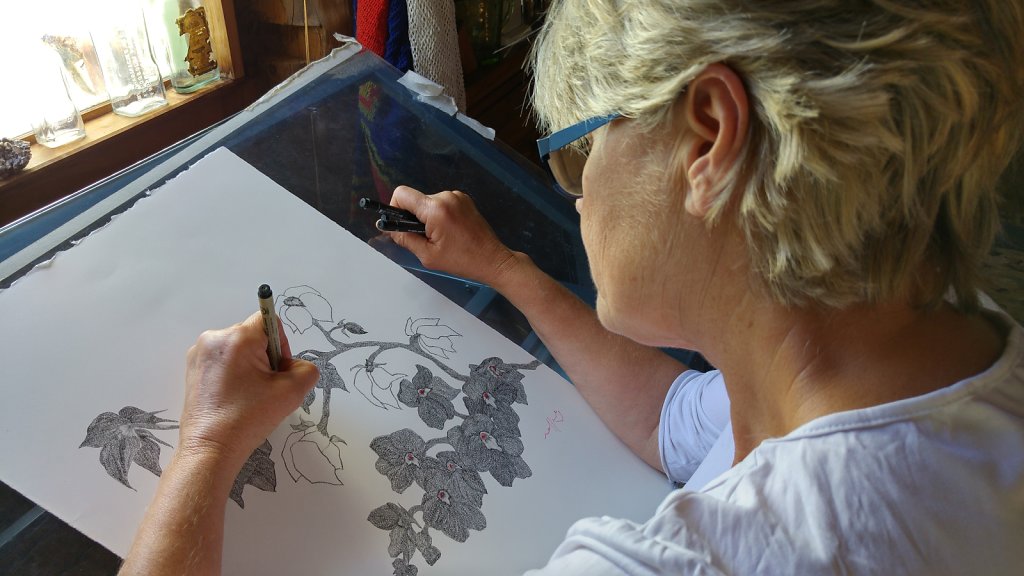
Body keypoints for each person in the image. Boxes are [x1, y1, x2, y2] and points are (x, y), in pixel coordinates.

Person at [120, 0, 1024, 574]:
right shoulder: (948, 352)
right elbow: (682, 422)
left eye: (577, 152)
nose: (579, 191)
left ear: (708, 137)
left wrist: (202, 448)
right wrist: (505, 268)